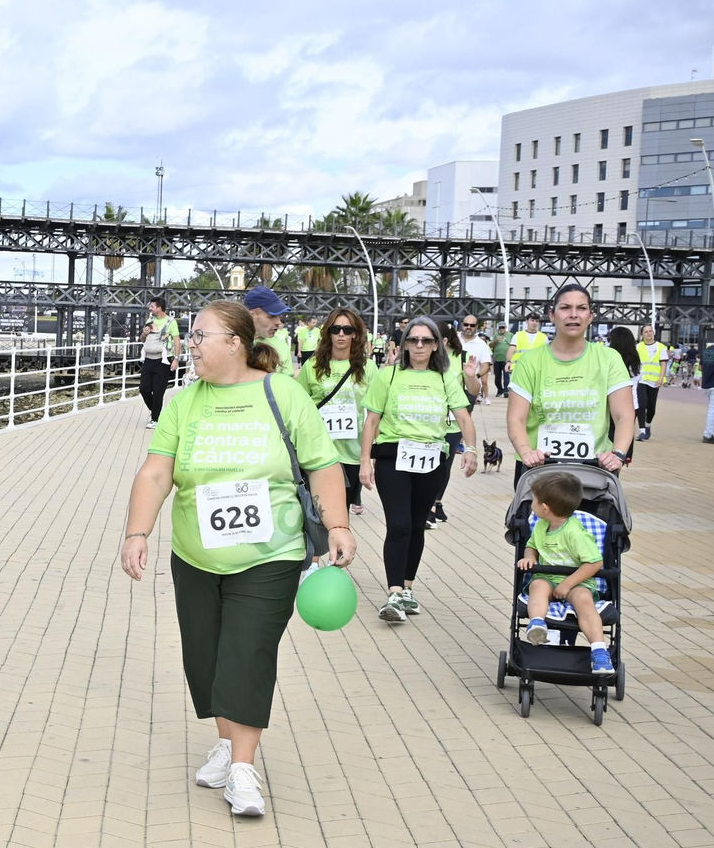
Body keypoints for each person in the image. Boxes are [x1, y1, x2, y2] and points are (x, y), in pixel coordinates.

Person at [120, 301, 356, 817]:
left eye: (200, 335)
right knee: (205, 659)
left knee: (247, 653)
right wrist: (137, 532)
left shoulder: (282, 393)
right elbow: (156, 472)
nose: (190, 344)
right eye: (191, 335)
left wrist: (338, 524)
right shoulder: (184, 402)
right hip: (195, 556)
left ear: (235, 343)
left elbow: (322, 465)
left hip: (271, 555)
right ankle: (227, 745)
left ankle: (244, 770)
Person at [359, 316, 477, 623]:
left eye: (426, 340)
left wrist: (471, 449)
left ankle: (408, 588)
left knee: (415, 524)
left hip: (431, 460)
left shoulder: (444, 378)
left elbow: (464, 417)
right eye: (413, 340)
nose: (420, 345)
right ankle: (394, 593)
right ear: (405, 344)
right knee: (398, 525)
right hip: (393, 457)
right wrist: (364, 461)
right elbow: (371, 421)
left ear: (436, 344)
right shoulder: (388, 375)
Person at [506, 285, 633, 485]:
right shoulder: (529, 361)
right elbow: (516, 418)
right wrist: (526, 452)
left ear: (590, 316)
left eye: (581, 308)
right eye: (565, 308)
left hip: (594, 470)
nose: (573, 315)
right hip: (539, 470)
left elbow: (624, 416)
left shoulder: (609, 358)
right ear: (552, 315)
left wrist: (617, 454)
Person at [518, 472, 612, 676]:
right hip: (547, 578)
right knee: (537, 586)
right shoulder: (541, 526)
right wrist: (530, 557)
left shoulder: (575, 533)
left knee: (584, 600)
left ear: (545, 508)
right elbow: (531, 546)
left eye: (534, 499)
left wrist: (568, 584)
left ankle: (599, 651)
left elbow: (595, 562)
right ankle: (537, 623)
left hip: (577, 582)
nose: (531, 504)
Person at [295, 309, 370, 517]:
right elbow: (297, 407)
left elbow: (376, 415)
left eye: (347, 329)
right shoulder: (312, 366)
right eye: (336, 329)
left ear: (355, 334)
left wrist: (369, 456)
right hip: (318, 452)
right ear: (328, 332)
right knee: (315, 515)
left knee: (341, 515)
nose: (341, 334)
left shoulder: (368, 368)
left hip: (351, 454)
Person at [425, 323, 482, 528]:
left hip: (453, 422)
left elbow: (474, 391)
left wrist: (470, 376)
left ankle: (436, 502)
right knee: (430, 464)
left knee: (444, 466)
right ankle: (431, 506)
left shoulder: (462, 357)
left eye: (430, 338)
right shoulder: (426, 357)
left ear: (443, 340)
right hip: (428, 421)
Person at [138, 295, 183, 428]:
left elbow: (177, 341)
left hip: (164, 360)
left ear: (159, 308)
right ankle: (156, 411)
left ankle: (155, 419)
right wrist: (144, 334)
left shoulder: (171, 322)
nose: (150, 308)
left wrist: (176, 359)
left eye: (152, 306)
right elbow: (142, 340)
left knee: (158, 391)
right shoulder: (150, 320)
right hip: (149, 359)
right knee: (144, 389)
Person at [604, 327, 639, 465]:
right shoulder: (636, 360)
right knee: (626, 430)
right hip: (632, 403)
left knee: (610, 433)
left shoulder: (609, 359)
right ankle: (623, 456)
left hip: (612, 402)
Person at [244, 285, 295, 376]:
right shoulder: (230, 344)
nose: (278, 322)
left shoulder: (282, 346)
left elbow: (286, 381)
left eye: (279, 316)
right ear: (252, 316)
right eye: (272, 316)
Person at [634, 325, 670, 441]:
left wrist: (661, 378)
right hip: (641, 379)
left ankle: (648, 425)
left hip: (654, 381)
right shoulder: (638, 347)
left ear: (653, 332)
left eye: (650, 331)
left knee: (651, 407)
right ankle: (642, 431)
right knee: (641, 404)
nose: (649, 333)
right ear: (642, 334)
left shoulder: (661, 347)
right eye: (646, 332)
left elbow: (663, 364)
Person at [458, 315, 493, 405]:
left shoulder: (482, 345)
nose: (468, 327)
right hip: (452, 385)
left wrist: (474, 377)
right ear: (462, 325)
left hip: (470, 387)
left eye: (472, 325)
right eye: (466, 324)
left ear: (476, 327)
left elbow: (486, 366)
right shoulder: (453, 339)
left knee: (466, 412)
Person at [491, 323, 512, 397]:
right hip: (497, 359)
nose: (501, 329)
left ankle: (506, 391)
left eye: (503, 327)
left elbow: (514, 345)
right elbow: (491, 345)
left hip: (506, 359)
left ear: (505, 328)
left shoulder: (510, 335)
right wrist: (496, 340)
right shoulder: (496, 335)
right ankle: (499, 390)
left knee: (506, 376)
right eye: (500, 328)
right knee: (497, 377)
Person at [702, 341, 714, 443]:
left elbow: (700, 367)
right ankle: (708, 434)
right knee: (712, 410)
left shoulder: (707, 351)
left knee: (712, 409)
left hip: (707, 383)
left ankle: (709, 433)